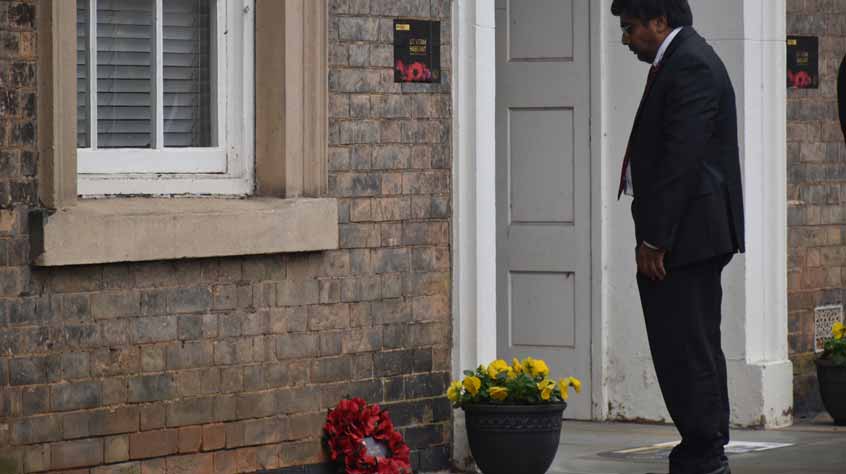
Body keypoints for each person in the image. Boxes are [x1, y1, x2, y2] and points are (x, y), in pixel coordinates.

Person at [611, 1, 745, 474]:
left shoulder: (690, 63)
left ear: (659, 21)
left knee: (687, 348)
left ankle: (705, 453)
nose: (626, 40)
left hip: (686, 239)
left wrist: (654, 240)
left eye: (629, 28)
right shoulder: (682, 58)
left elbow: (680, 160)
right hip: (687, 236)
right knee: (687, 346)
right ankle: (701, 448)